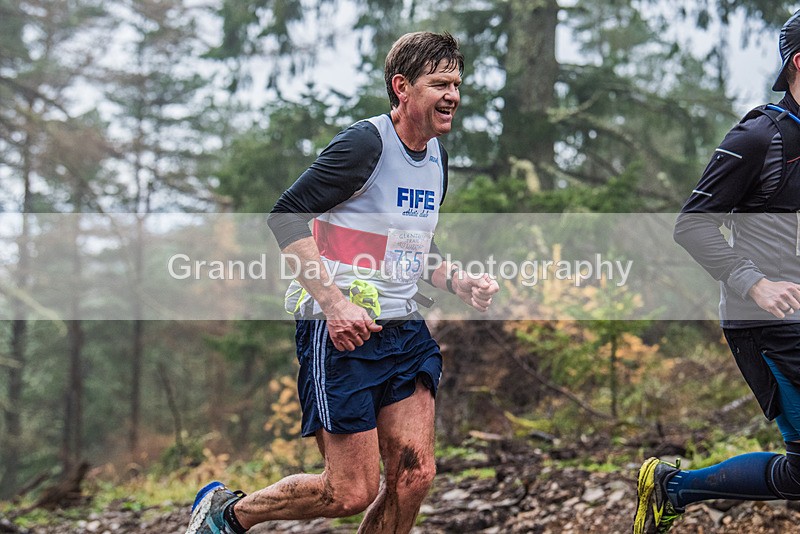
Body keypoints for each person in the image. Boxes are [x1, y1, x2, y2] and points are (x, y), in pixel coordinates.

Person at [184, 31, 499, 534]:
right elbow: (285, 217)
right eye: (440, 83)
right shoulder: (365, 143)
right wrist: (333, 304)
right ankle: (226, 513)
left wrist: (457, 280)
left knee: (414, 477)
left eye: (457, 83)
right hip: (337, 329)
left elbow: (411, 248)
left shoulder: (437, 160)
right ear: (402, 87)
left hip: (401, 328)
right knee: (349, 491)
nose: (453, 95)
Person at [633, 9, 800, 534]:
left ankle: (671, 488)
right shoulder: (759, 137)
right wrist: (756, 280)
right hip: (768, 324)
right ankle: (673, 488)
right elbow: (693, 224)